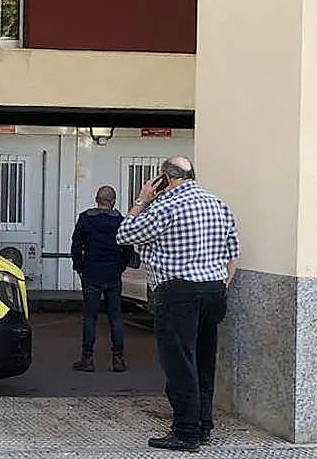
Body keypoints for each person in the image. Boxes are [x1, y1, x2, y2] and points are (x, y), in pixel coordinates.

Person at [116, 156, 240, 452]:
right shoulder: (218, 204)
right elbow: (233, 252)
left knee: (180, 363)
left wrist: (142, 199)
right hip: (212, 291)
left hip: (178, 293)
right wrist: (220, 285)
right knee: (204, 360)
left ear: (164, 178)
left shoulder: (164, 206)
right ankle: (204, 425)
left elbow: (124, 234)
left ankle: (185, 432)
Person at [70, 185, 135, 373]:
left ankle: (87, 358)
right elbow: (128, 250)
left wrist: (79, 266)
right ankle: (118, 359)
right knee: (115, 316)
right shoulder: (120, 221)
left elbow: (76, 245)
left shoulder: (85, 219)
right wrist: (120, 267)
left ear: (96, 199)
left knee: (90, 316)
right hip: (112, 273)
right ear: (113, 201)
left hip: (91, 272)